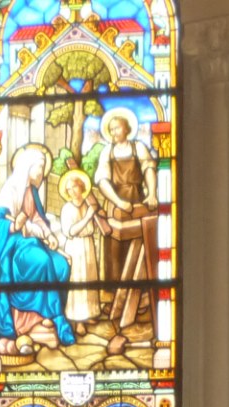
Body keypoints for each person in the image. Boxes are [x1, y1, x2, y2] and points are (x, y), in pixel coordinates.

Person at [0, 142, 76, 355]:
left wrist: (49, 236)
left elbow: (37, 218)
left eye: (43, 167)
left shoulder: (32, 192)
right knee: (42, 260)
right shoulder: (11, 190)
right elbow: (0, 224)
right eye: (39, 166)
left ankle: (43, 318)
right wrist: (16, 225)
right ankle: (55, 318)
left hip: (32, 243)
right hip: (14, 249)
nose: (41, 172)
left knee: (61, 264)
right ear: (27, 167)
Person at [92, 108, 157, 341]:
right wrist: (118, 201)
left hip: (137, 201)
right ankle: (115, 303)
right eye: (110, 128)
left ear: (127, 128)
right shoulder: (107, 152)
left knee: (139, 250)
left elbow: (149, 168)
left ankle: (140, 301)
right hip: (116, 205)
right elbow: (102, 180)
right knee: (115, 255)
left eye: (117, 127)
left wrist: (152, 194)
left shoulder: (138, 147)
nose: (113, 132)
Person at [57, 168, 104, 327]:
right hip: (75, 247)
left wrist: (96, 215)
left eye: (75, 186)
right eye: (69, 188)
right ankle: (77, 321)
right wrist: (88, 216)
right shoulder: (67, 209)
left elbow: (94, 226)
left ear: (82, 187)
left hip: (88, 245)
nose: (72, 191)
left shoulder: (88, 205)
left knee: (89, 279)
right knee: (77, 281)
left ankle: (89, 313)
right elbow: (70, 231)